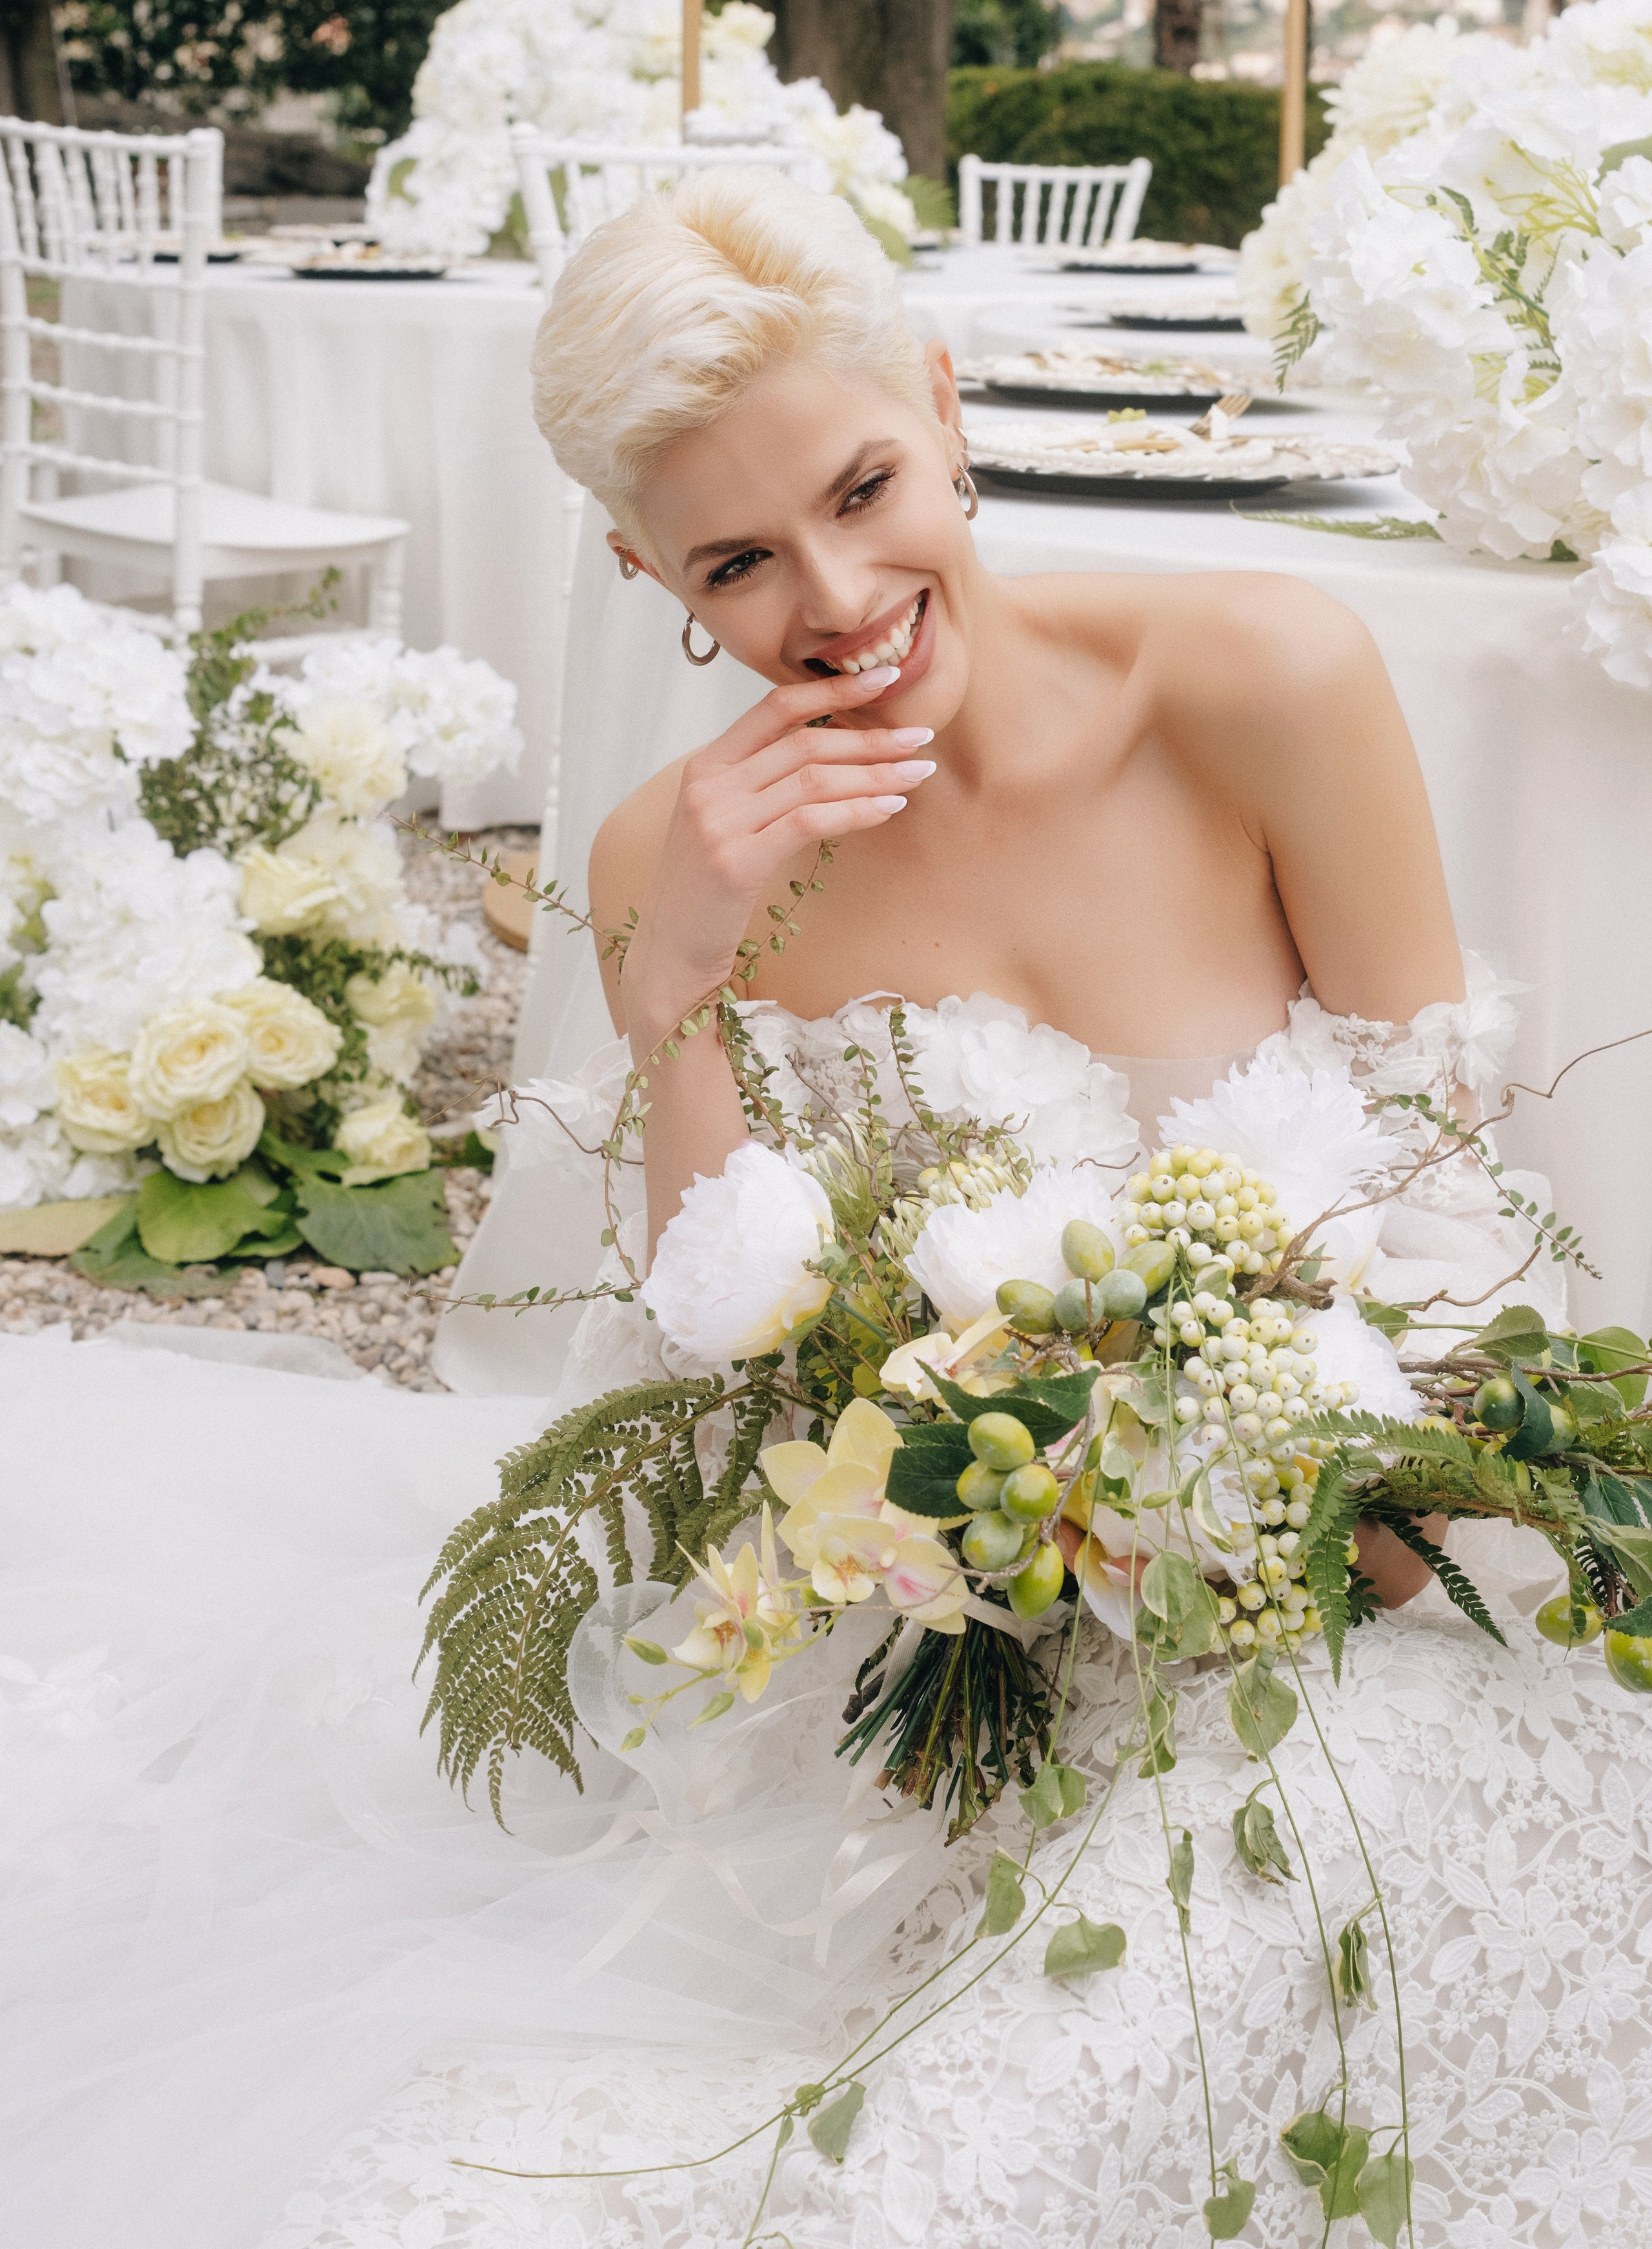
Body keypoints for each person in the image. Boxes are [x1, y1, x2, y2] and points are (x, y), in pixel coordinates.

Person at [3, 173, 1646, 2249]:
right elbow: (728, 1369)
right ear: (642, 572)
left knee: (1367, 1870)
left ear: (946, 410)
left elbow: (1447, 1171)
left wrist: (1375, 1480)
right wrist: (670, 975)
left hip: (1346, 1550)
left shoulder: (1262, 674)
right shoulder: (661, 862)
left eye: (870, 487)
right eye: (741, 561)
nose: (841, 597)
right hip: (929, 1623)